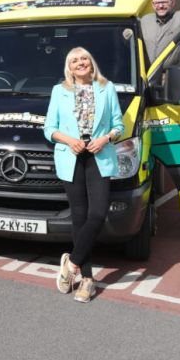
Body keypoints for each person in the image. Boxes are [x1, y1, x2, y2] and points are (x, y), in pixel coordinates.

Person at [43, 47, 125, 303]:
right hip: (71, 157)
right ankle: (87, 279)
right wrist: (69, 141)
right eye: (74, 60)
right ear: (69, 67)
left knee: (98, 214)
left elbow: (118, 125)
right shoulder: (60, 91)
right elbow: (49, 128)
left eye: (84, 59)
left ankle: (72, 262)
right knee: (79, 217)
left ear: (92, 64)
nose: (80, 63)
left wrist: (106, 138)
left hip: (99, 156)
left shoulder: (106, 87)